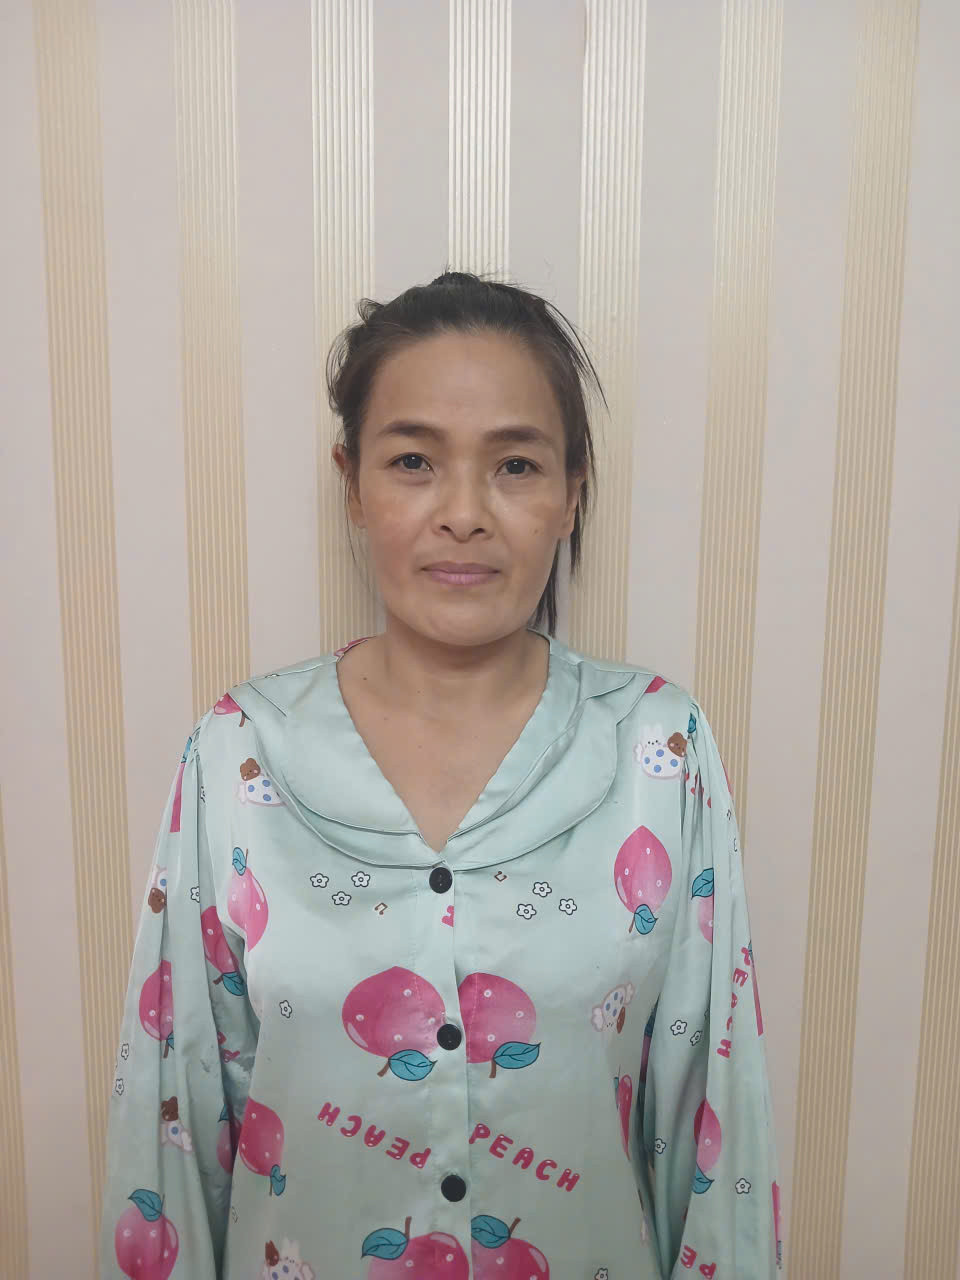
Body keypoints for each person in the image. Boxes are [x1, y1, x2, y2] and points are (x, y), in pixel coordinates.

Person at [100, 270, 784, 1279]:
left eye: (516, 465)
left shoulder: (660, 752)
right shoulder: (238, 755)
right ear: (353, 484)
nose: (464, 513)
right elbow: (175, 1117)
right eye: (414, 460)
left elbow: (712, 1119)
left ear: (571, 493)